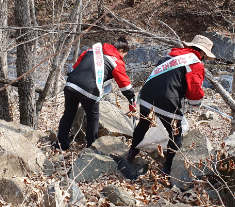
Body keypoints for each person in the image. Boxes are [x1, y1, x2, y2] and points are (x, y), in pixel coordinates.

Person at [123, 35, 215, 177]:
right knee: (175, 134)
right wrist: (195, 104)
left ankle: (132, 152)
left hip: (147, 95)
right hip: (167, 100)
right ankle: (167, 168)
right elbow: (194, 91)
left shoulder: (168, 56)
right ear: (202, 53)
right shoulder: (195, 63)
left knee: (143, 124)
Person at [55, 37, 136, 150]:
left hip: (71, 84)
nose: (123, 58)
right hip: (89, 89)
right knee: (93, 117)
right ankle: (91, 147)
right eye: (124, 55)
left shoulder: (92, 50)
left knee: (68, 114)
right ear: (121, 51)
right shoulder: (116, 60)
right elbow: (124, 84)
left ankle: (61, 145)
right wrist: (132, 98)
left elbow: (74, 67)